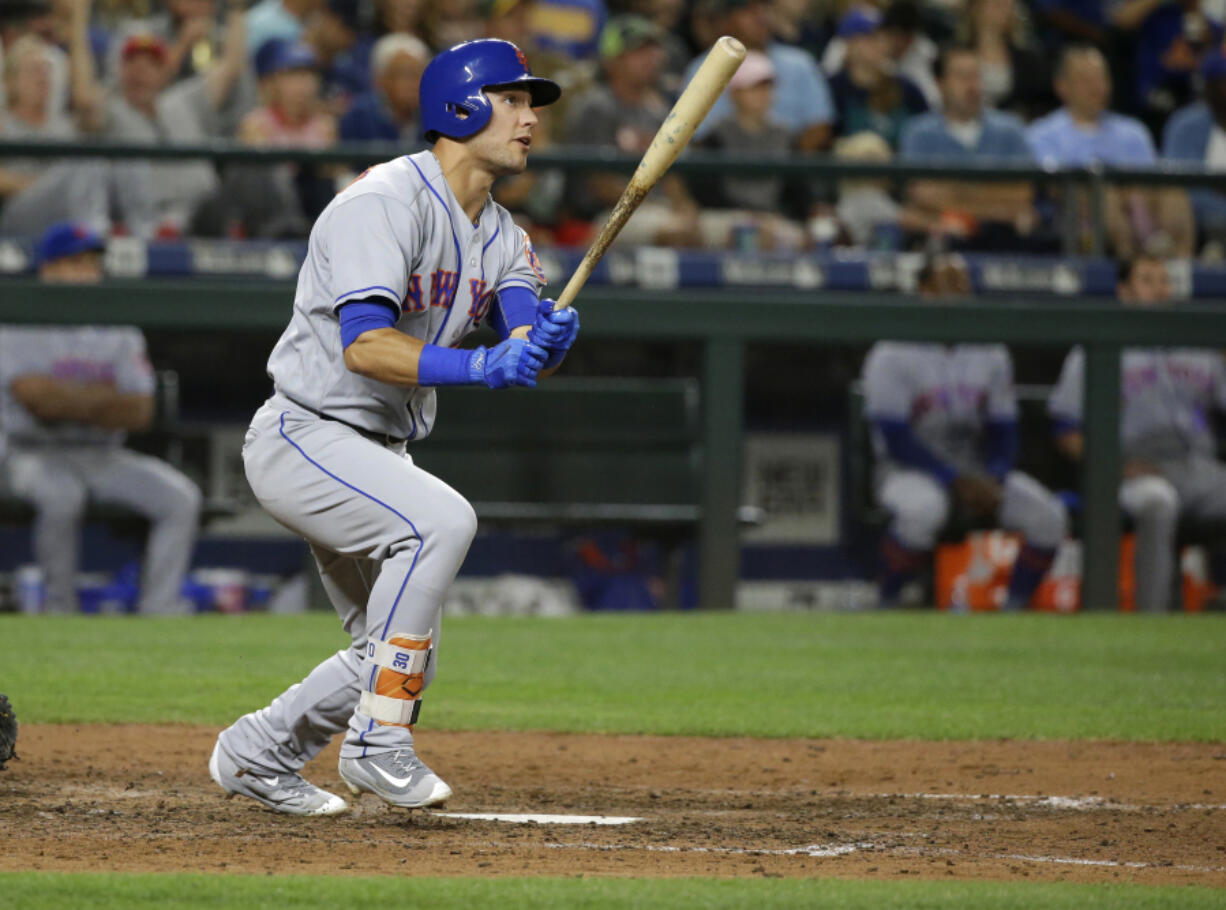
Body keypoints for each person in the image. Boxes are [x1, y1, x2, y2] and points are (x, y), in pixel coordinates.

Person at [209, 39, 579, 816]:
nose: (529, 118)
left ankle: (258, 752)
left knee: (400, 658)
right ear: (460, 106)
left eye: (530, 104)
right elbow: (367, 345)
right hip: (306, 434)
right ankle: (379, 746)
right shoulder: (382, 203)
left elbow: (518, 337)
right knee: (442, 520)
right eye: (511, 100)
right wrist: (484, 367)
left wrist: (540, 341)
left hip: (376, 448)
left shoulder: (504, 233)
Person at [0, 222, 202, 616]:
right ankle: (60, 611)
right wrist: (105, 401)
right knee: (61, 496)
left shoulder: (117, 325)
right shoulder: (16, 318)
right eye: (73, 263)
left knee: (180, 498)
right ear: (47, 270)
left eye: (91, 264)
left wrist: (69, 398)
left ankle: (159, 611)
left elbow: (140, 410)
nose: (85, 273)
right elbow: (38, 402)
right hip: (28, 454)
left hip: (101, 454)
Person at [861, 254, 1068, 609]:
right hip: (908, 471)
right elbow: (896, 438)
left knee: (1049, 516)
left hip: (978, 471)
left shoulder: (990, 349)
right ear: (924, 291)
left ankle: (1014, 608)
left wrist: (994, 476)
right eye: (947, 283)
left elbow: (1005, 429)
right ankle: (886, 601)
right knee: (923, 510)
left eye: (963, 284)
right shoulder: (891, 352)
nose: (958, 292)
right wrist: (953, 479)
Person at [1048, 255, 1226, 611]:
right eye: (1148, 280)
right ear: (1124, 292)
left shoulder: (1200, 346)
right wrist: (1116, 464)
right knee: (1157, 502)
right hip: (1131, 468)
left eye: (1164, 280)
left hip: (1195, 465)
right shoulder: (1092, 349)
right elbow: (1066, 431)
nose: (1160, 289)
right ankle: (1152, 615)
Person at [1026, 45, 1194, 258]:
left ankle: (1183, 268)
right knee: (1104, 194)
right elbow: (1055, 187)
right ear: (1062, 87)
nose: (1097, 87)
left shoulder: (1133, 131)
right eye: (1086, 80)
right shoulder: (1042, 133)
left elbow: (1151, 182)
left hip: (1140, 210)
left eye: (1101, 78)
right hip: (1076, 219)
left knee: (1173, 192)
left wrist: (1129, 194)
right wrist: (1117, 189)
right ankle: (1129, 266)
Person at [564, 15, 700, 246]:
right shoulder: (596, 107)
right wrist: (655, 207)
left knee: (726, 232)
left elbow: (672, 178)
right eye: (638, 52)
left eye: (653, 51)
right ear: (612, 61)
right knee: (675, 232)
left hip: (656, 211)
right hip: (603, 214)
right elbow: (599, 183)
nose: (651, 59)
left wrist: (687, 211)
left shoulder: (659, 112)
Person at [899, 44, 1044, 252]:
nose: (972, 85)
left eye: (976, 76)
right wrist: (998, 203)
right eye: (961, 76)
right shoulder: (919, 131)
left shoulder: (1010, 128)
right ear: (940, 84)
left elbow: (1022, 193)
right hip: (945, 238)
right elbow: (922, 194)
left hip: (1003, 238)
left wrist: (954, 196)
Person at [684, 0, 835, 152]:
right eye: (749, 11)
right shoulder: (702, 69)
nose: (760, 17)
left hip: (785, 165)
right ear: (727, 20)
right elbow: (693, 138)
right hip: (724, 168)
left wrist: (785, 162)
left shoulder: (800, 63)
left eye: (765, 9)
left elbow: (820, 127)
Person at [826, 6, 928, 150]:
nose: (880, 44)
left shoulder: (906, 88)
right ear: (849, 44)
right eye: (870, 38)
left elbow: (926, 131)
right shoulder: (832, 88)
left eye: (884, 37)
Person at [1162, 50, 1226, 250]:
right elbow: (1179, 185)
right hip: (1200, 225)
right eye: (1221, 83)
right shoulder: (1186, 125)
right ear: (1209, 87)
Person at [958, 0, 1054, 121]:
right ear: (976, 8)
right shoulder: (955, 57)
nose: (1004, 10)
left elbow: (1041, 104)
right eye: (997, 4)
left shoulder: (1030, 60)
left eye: (1008, 5)